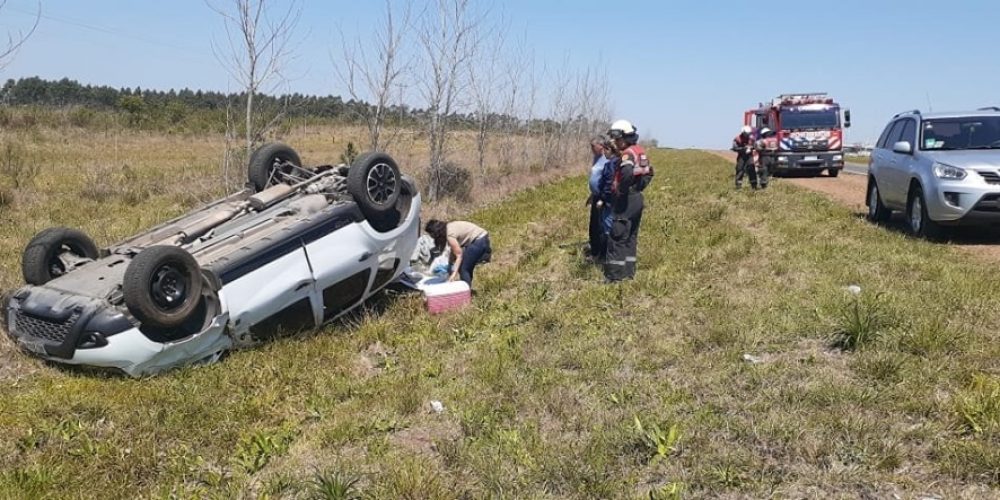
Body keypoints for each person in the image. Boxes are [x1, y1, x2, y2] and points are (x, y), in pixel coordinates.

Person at [604, 119, 652, 282]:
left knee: (617, 236)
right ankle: (628, 272)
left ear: (624, 137)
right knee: (630, 236)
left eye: (617, 139)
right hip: (637, 198)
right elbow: (649, 172)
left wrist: (622, 191)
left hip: (626, 200)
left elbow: (626, 173)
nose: (615, 143)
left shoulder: (627, 154)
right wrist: (638, 187)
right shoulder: (639, 151)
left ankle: (614, 277)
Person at [424, 219, 492, 287]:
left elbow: (459, 255)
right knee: (466, 267)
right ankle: (467, 287)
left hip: (479, 240)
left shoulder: (449, 235)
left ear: (436, 233)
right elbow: (453, 251)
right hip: (481, 238)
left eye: (431, 235)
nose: (432, 237)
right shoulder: (448, 227)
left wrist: (453, 274)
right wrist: (450, 265)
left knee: (463, 268)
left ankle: (466, 292)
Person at [586, 135, 610, 262]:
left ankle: (599, 254)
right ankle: (594, 248)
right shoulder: (596, 158)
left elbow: (607, 180)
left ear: (601, 146)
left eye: (593, 146)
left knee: (600, 226)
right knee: (593, 225)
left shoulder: (607, 159)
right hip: (596, 196)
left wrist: (602, 198)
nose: (591, 149)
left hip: (603, 197)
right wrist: (592, 194)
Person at [732, 125, 759, 189]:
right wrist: (743, 149)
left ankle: (754, 186)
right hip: (741, 156)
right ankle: (738, 186)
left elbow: (756, 146)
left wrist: (751, 148)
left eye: (749, 134)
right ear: (743, 132)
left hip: (749, 156)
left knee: (751, 170)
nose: (748, 135)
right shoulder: (737, 139)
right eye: (746, 134)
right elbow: (735, 148)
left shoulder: (752, 138)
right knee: (740, 169)